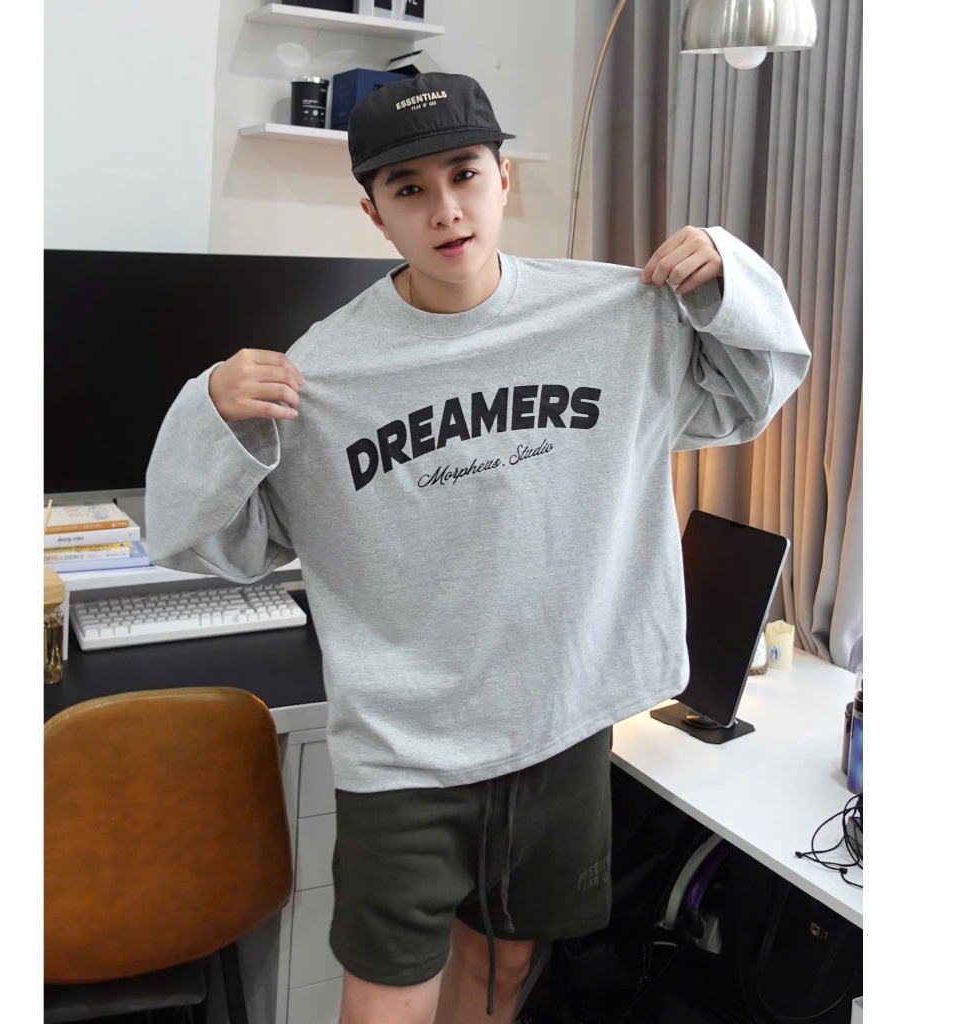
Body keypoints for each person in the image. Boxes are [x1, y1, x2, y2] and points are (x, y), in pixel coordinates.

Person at [145, 72, 810, 1024]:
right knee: (384, 1001)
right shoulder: (323, 374)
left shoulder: (615, 319)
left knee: (504, 970)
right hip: (406, 747)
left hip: (559, 722)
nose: (446, 209)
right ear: (373, 214)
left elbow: (752, 394)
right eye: (409, 188)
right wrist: (208, 416)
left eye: (464, 173)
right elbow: (205, 541)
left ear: (505, 178)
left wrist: (729, 276)